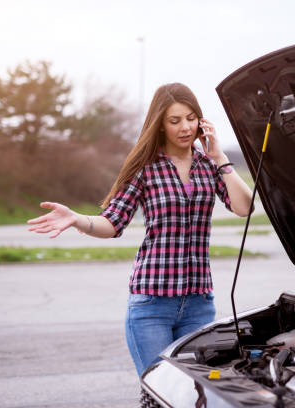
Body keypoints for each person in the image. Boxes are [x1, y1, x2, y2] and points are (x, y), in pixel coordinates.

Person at [27, 83, 253, 376]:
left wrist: (220, 157)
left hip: (199, 303)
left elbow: (244, 207)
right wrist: (76, 219)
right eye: (174, 121)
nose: (185, 127)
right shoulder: (145, 168)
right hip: (152, 304)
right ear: (160, 125)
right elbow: (112, 223)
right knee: (161, 390)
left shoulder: (209, 166)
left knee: (199, 393)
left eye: (190, 118)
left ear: (201, 121)